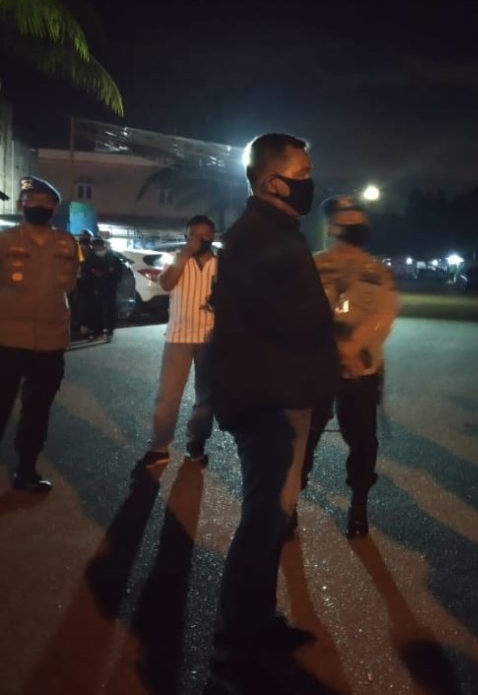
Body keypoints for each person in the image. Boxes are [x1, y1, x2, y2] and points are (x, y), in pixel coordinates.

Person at [206, 133, 340, 689]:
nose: (311, 182)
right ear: (272, 182)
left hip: (281, 395)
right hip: (270, 402)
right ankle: (236, 649)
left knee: (271, 520)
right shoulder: (259, 237)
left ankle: (257, 625)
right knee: (262, 525)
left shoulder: (275, 232)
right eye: (302, 173)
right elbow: (274, 326)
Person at [298, 194, 399, 538]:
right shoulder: (317, 266)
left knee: (359, 441)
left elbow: (384, 317)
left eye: (350, 219)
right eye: (343, 220)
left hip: (356, 372)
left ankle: (357, 504)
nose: (345, 226)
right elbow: (302, 314)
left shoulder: (375, 271)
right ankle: (292, 503)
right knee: (307, 438)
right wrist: (343, 349)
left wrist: (350, 348)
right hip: (325, 371)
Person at [0, 176, 79, 492]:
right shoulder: (5, 241)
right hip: (7, 338)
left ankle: (26, 470)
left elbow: (71, 284)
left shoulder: (68, 244)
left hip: (50, 341)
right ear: (22, 205)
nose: (38, 207)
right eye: (32, 201)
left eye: (45, 203)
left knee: (37, 412)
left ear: (54, 208)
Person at [139, 214, 218, 468]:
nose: (199, 240)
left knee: (206, 398)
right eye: (193, 235)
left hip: (211, 338)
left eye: (205, 235)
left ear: (213, 237)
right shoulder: (176, 258)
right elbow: (166, 283)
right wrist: (185, 253)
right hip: (179, 336)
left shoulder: (222, 264)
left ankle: (197, 443)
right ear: (185, 236)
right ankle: (159, 446)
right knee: (168, 396)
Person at [81, 236, 123, 339]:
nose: (96, 248)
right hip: (98, 287)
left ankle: (107, 330)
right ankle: (101, 330)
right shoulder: (93, 258)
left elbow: (118, 272)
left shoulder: (112, 257)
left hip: (107, 287)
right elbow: (86, 272)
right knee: (98, 309)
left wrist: (105, 275)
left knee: (108, 308)